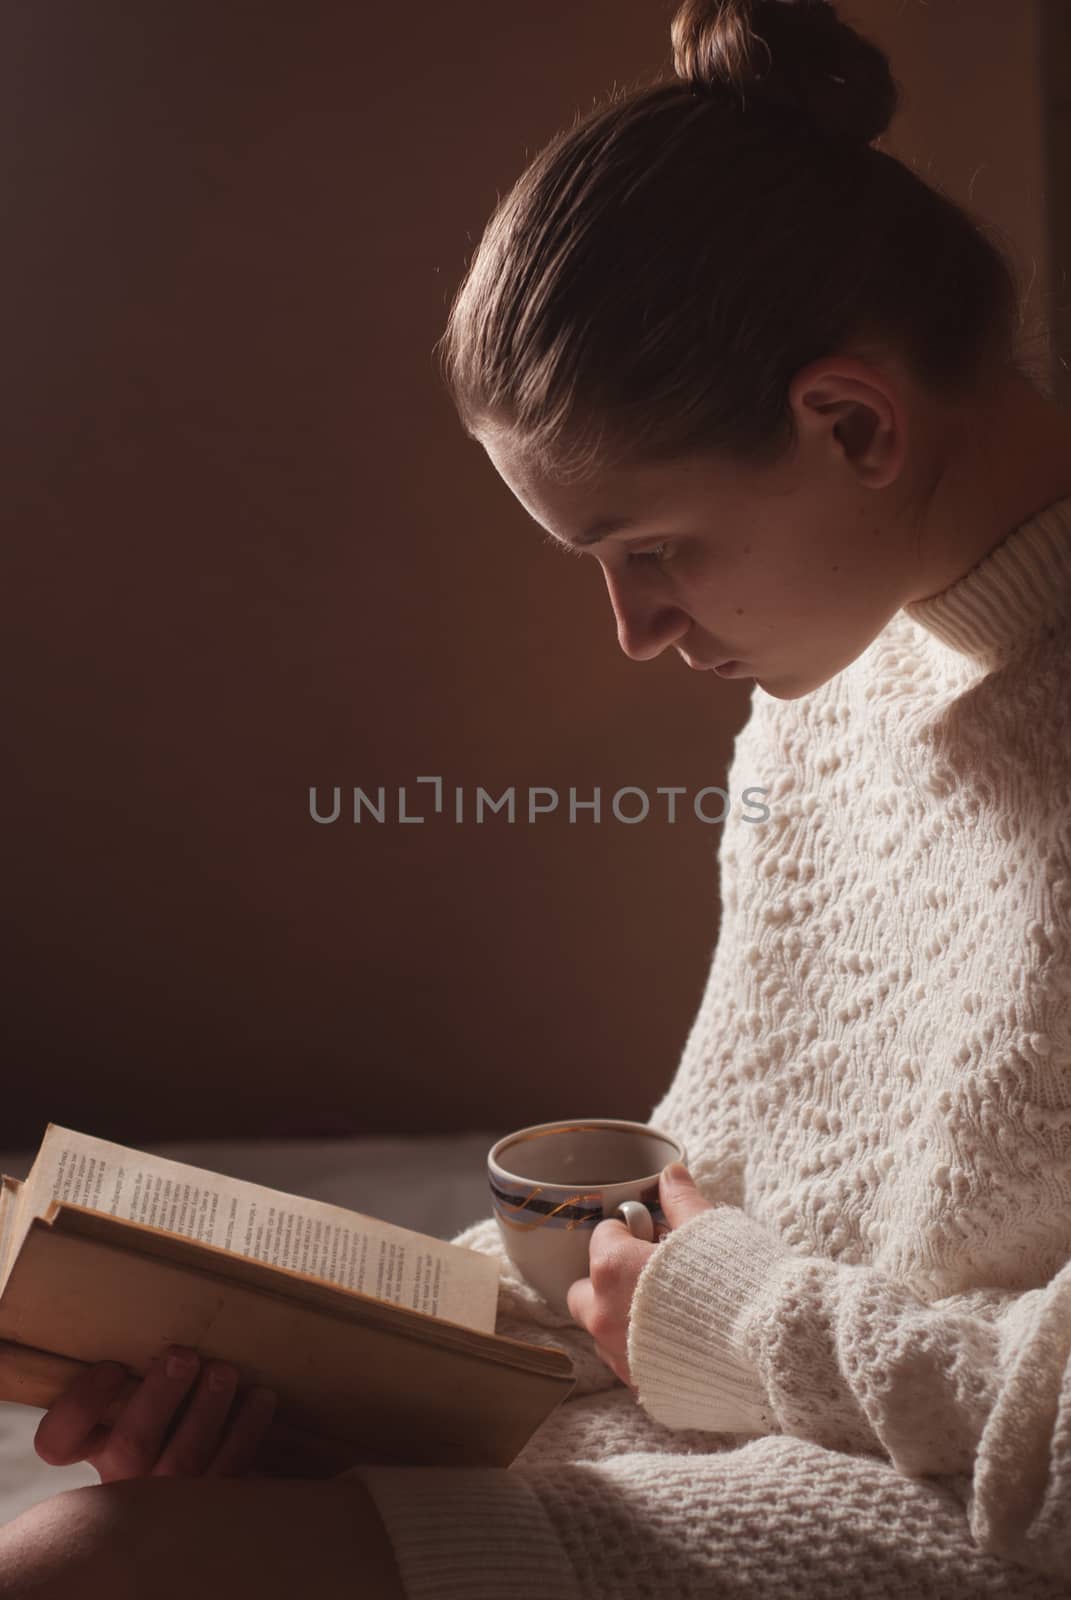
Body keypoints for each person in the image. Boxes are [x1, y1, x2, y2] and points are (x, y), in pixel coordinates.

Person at [4, 0, 1071, 1594]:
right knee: (107, 1542)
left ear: (853, 423)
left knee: (92, 1566)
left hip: (951, 1506)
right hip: (759, 1402)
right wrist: (325, 1369)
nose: (638, 630)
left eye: (652, 550)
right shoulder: (833, 682)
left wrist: (728, 1310)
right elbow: (726, 1189)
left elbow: (990, 1425)